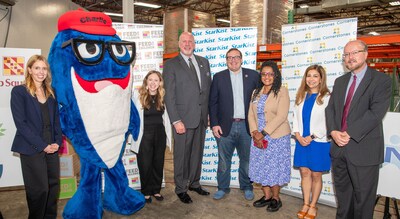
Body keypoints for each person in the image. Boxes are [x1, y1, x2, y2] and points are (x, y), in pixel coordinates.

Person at [326, 40, 391, 219]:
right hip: (339, 150)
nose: (350, 58)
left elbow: (376, 113)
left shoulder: (381, 80)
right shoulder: (340, 82)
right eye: (346, 55)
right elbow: (330, 109)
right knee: (343, 199)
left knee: (363, 202)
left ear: (366, 54)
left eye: (354, 53)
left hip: (364, 151)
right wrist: (333, 131)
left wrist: (349, 133)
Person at [10, 55, 62, 219]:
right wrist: (42, 145)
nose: (41, 72)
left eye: (44, 68)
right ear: (29, 70)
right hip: (31, 146)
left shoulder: (51, 93)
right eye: (37, 68)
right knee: (39, 190)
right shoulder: (19, 91)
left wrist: (56, 142)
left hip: (51, 145)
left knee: (53, 187)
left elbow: (56, 121)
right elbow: (21, 124)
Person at [163, 31, 212, 204]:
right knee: (182, 156)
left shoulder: (204, 63)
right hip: (182, 120)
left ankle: (194, 182)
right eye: (184, 41)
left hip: (201, 118)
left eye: (190, 41)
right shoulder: (171, 65)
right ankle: (181, 188)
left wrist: (208, 115)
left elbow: (207, 92)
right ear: (178, 44)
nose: (187, 44)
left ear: (194, 43)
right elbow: (169, 95)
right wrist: (176, 120)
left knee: (197, 153)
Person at [209, 48, 259, 200]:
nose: (233, 60)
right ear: (226, 60)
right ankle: (223, 187)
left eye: (236, 57)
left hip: (247, 127)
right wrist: (215, 124)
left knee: (247, 160)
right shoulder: (218, 77)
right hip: (225, 126)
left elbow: (261, 101)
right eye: (229, 58)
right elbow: (213, 103)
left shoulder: (253, 76)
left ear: (241, 59)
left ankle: (247, 186)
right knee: (224, 160)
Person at [248, 60, 291, 212]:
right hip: (257, 136)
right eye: (264, 74)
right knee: (261, 167)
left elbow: (281, 116)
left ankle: (276, 198)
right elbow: (250, 115)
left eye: (270, 74)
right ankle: (266, 196)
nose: (267, 77)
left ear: (276, 75)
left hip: (276, 137)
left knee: (274, 169)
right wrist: (254, 132)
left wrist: (263, 133)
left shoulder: (282, 91)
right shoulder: (255, 92)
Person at [292, 65, 331, 219]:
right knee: (304, 173)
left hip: (319, 142)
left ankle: (313, 206)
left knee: (316, 174)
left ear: (321, 79)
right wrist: (297, 135)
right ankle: (305, 204)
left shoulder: (327, 97)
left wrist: (312, 136)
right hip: (301, 141)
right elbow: (295, 118)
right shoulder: (301, 95)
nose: (311, 79)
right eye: (309, 75)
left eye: (315, 76)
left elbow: (329, 121)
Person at [131, 70, 172, 204]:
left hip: (160, 134)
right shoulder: (138, 96)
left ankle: (156, 190)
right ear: (146, 82)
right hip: (144, 135)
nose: (153, 83)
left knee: (158, 163)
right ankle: (146, 192)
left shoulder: (162, 97)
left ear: (160, 83)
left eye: (156, 80)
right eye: (150, 80)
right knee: (145, 164)